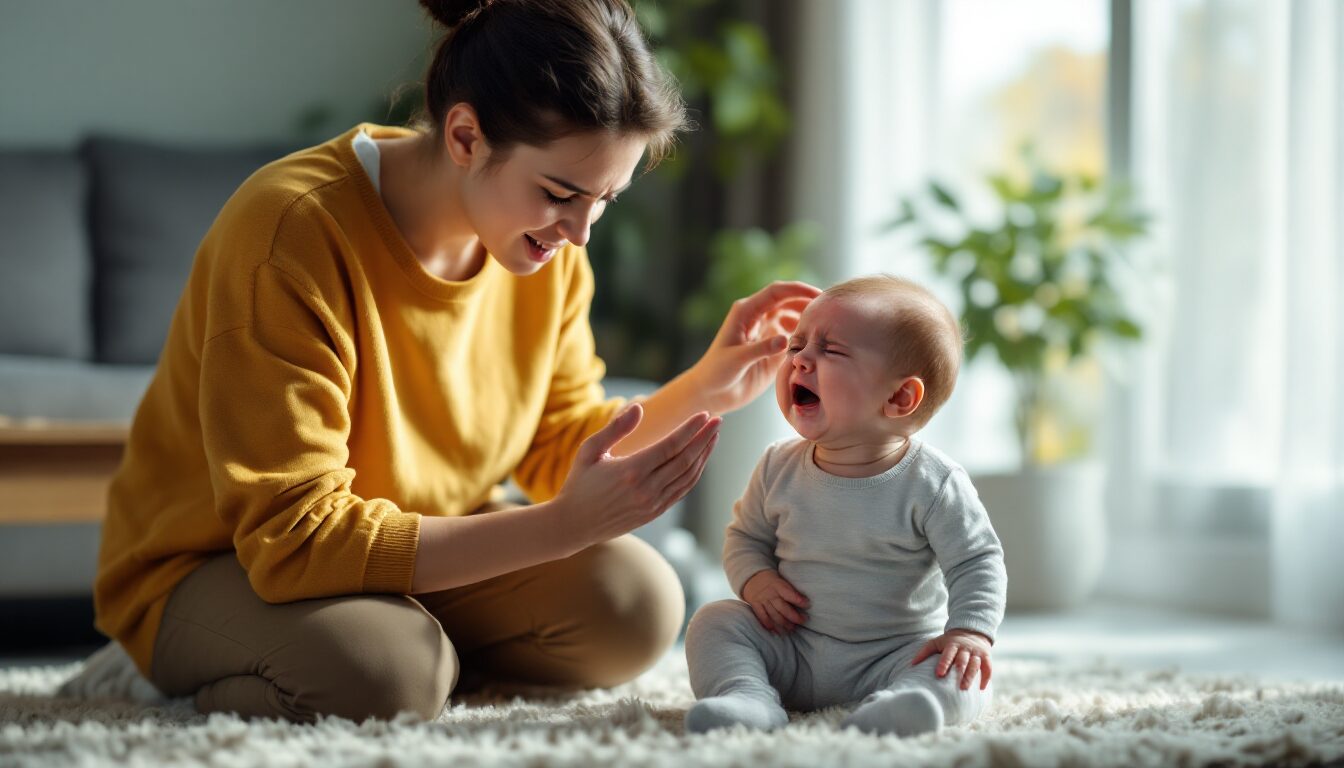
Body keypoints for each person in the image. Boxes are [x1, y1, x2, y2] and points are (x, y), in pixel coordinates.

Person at [89, 0, 819, 724]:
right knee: (382, 675)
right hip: (224, 565)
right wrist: (556, 528)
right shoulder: (292, 231)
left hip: (412, 549)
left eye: (605, 200)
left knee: (637, 604)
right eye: (560, 193)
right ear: (466, 136)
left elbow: (557, 440)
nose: (580, 231)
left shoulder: (544, 249)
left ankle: (410, 653)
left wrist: (703, 389)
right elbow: (294, 541)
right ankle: (181, 670)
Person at [683, 275, 1007, 736]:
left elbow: (977, 561)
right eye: (796, 345)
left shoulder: (933, 482)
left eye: (830, 351)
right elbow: (745, 538)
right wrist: (755, 581)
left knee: (964, 673)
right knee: (714, 621)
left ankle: (902, 707)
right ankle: (747, 697)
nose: (799, 361)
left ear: (899, 398)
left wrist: (970, 632)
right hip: (789, 646)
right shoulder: (778, 464)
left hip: (894, 655)